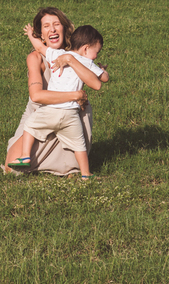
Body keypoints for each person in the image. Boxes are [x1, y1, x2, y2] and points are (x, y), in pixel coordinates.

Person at [6, 13, 108, 179]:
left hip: (69, 114)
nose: (52, 29)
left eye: (56, 24)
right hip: (42, 112)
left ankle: (77, 170)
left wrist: (70, 59)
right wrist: (75, 94)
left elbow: (97, 83)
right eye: (46, 26)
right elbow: (37, 96)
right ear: (41, 34)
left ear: (65, 28)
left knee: (77, 138)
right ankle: (76, 170)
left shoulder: (75, 56)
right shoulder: (38, 57)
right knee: (11, 168)